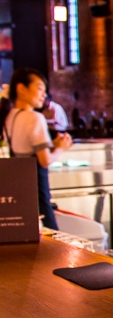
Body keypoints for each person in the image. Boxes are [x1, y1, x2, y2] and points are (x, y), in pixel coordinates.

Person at [2, 68, 73, 230]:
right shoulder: (35, 118)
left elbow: (23, 149)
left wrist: (52, 145)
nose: (44, 95)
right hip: (38, 191)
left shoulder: (10, 115)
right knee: (52, 234)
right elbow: (45, 160)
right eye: (40, 88)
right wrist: (61, 147)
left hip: (20, 191)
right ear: (21, 89)